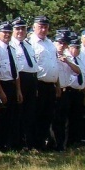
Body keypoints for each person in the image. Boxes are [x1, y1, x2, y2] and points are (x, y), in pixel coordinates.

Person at [28, 16, 60, 151]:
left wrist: (58, 85)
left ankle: (43, 142)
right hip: (38, 84)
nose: (43, 29)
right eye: (40, 26)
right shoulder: (30, 43)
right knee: (36, 114)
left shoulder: (50, 43)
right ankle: (33, 143)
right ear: (34, 27)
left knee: (48, 115)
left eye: (45, 27)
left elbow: (54, 65)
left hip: (50, 85)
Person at [0, 22, 22, 153]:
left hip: (12, 85)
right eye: (4, 32)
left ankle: (8, 143)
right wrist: (0, 91)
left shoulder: (12, 49)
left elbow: (16, 72)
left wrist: (18, 90)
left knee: (11, 116)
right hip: (1, 84)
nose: (7, 35)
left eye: (9, 33)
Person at [11, 18, 39, 150]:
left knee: (30, 112)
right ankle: (17, 142)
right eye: (17, 29)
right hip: (20, 79)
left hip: (32, 79)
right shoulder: (11, 44)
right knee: (18, 112)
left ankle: (28, 142)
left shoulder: (28, 45)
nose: (21, 31)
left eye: (23, 28)